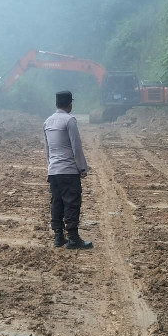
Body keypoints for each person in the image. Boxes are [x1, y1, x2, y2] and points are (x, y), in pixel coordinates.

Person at [43, 90, 93, 249]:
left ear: (56, 104)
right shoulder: (70, 121)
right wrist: (82, 168)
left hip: (54, 170)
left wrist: (50, 167)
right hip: (68, 170)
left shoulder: (47, 122)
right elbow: (76, 147)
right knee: (72, 202)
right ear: (70, 104)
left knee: (56, 202)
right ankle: (73, 238)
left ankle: (58, 236)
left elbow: (47, 150)